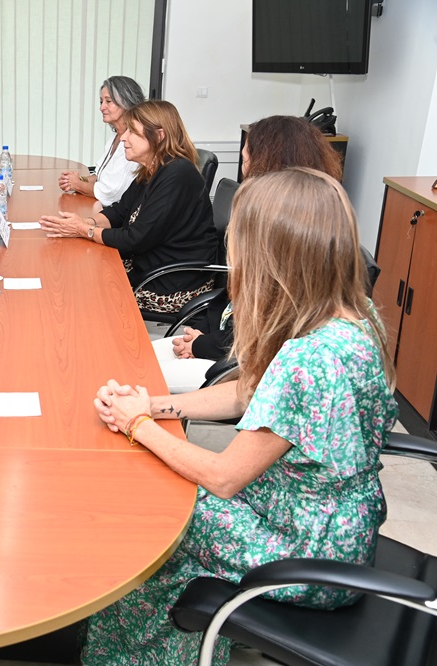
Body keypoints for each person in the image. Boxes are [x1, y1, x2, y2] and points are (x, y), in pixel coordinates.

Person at [84, 167, 398, 665]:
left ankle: (131, 656)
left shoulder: (310, 360)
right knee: (159, 486)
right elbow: (245, 394)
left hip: (305, 554)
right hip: (335, 524)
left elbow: (224, 477)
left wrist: (137, 426)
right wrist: (151, 406)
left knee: (150, 518)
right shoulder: (354, 313)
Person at [155, 115, 345, 392]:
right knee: (133, 359)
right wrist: (201, 335)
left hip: (248, 364)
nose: (243, 171)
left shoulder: (283, 231)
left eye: (245, 160)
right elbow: (237, 301)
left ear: (268, 163)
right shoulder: (298, 218)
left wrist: (201, 344)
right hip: (224, 340)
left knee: (139, 373)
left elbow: (268, 331)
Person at [40, 100, 218, 313]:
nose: (123, 137)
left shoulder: (178, 174)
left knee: (85, 288)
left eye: (132, 131)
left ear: (159, 136)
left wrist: (84, 230)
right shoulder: (152, 168)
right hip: (148, 265)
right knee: (77, 271)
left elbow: (135, 239)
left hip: (170, 281)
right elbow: (119, 211)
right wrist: (84, 223)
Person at [57, 76, 146, 207]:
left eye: (108, 101)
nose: (102, 107)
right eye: (101, 102)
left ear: (127, 103)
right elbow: (100, 176)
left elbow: (112, 193)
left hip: (116, 215)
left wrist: (78, 184)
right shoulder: (114, 137)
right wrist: (76, 179)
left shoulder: (135, 143)